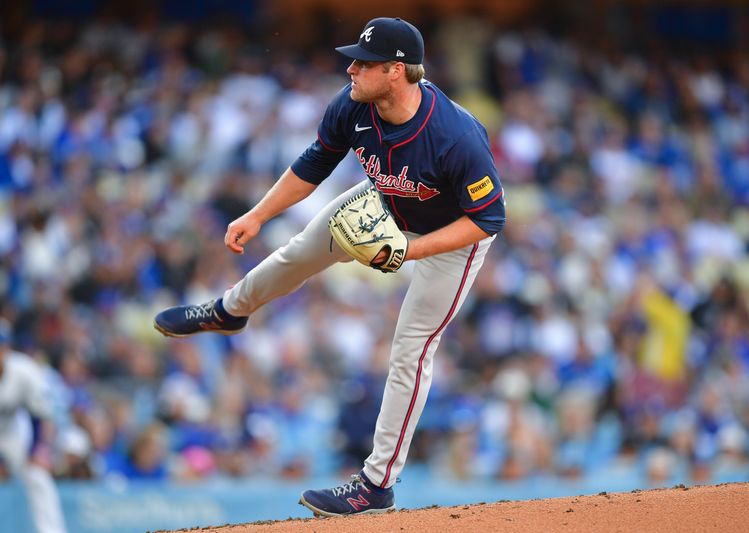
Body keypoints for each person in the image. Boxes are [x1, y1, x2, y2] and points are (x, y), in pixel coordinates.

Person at [154, 16, 505, 516]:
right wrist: (257, 215)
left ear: (396, 70)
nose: (351, 70)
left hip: (452, 236)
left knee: (410, 351)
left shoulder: (455, 135)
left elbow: (488, 219)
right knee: (300, 249)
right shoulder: (353, 106)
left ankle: (377, 485)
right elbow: (315, 162)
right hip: (386, 200)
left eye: (363, 63)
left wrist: (407, 253)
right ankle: (230, 310)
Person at [0, 319, 68, 533]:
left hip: (9, 435)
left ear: (7, 347)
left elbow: (40, 416)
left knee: (38, 476)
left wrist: (37, 450)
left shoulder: (23, 370)